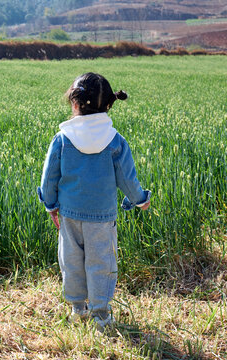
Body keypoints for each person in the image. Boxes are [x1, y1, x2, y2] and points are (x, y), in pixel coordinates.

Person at [37, 72, 151, 331]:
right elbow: (127, 179)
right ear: (109, 105)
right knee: (101, 263)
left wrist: (51, 205)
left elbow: (50, 177)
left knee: (72, 261)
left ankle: (78, 308)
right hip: (101, 217)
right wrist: (140, 200)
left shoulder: (62, 139)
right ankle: (100, 315)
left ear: (74, 104)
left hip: (69, 215)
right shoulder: (115, 141)